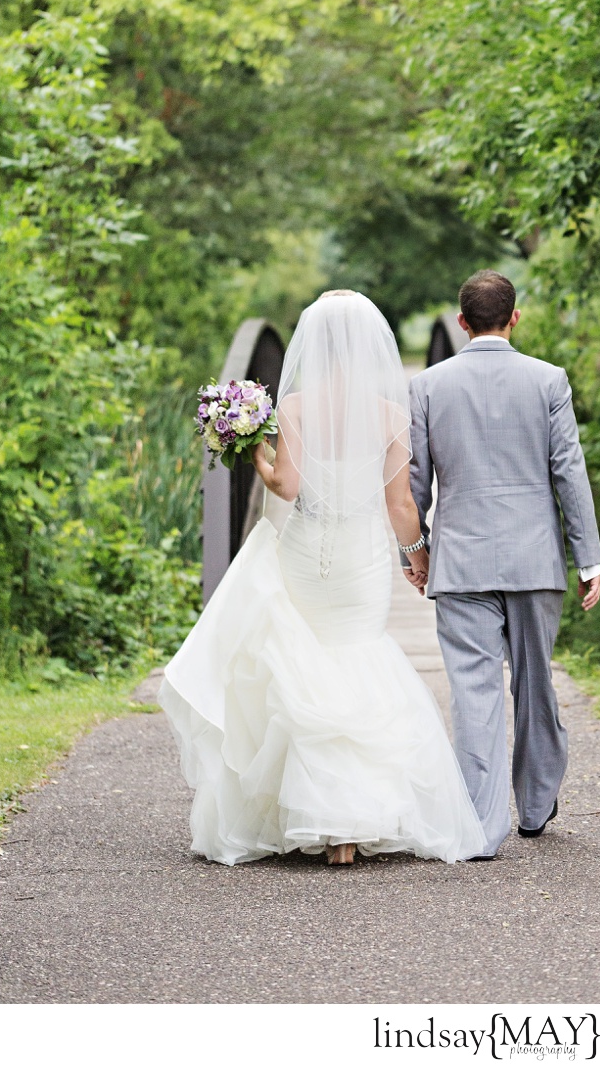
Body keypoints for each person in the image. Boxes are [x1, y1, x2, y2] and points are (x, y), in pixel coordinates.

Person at [158, 290, 486, 867]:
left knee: (307, 663)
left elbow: (285, 486)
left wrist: (255, 449)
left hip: (308, 550)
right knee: (358, 657)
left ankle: (320, 816)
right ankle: (350, 829)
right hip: (362, 556)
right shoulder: (391, 413)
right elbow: (401, 505)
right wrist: (417, 557)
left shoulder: (299, 408)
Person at [406, 270, 600, 859]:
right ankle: (537, 805)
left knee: (474, 694)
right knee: (535, 682)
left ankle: (481, 825)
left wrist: (415, 553)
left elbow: (415, 480)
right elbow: (569, 470)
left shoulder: (427, 386)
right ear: (514, 318)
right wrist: (587, 556)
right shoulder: (548, 381)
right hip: (533, 558)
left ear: (462, 322)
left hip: (461, 561)